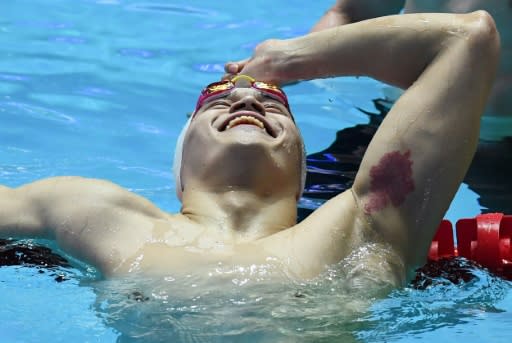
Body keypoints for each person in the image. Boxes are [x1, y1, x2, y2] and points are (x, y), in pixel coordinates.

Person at [0, 12, 500, 288]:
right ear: (179, 169)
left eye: (275, 101)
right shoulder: (101, 216)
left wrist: (286, 58)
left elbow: (466, 41)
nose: (245, 95)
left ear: (305, 171)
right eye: (216, 99)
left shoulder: (364, 230)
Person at [310, 0, 511, 123]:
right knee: (298, 189)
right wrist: (285, 72)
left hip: (496, 142)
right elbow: (351, 15)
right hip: (396, 119)